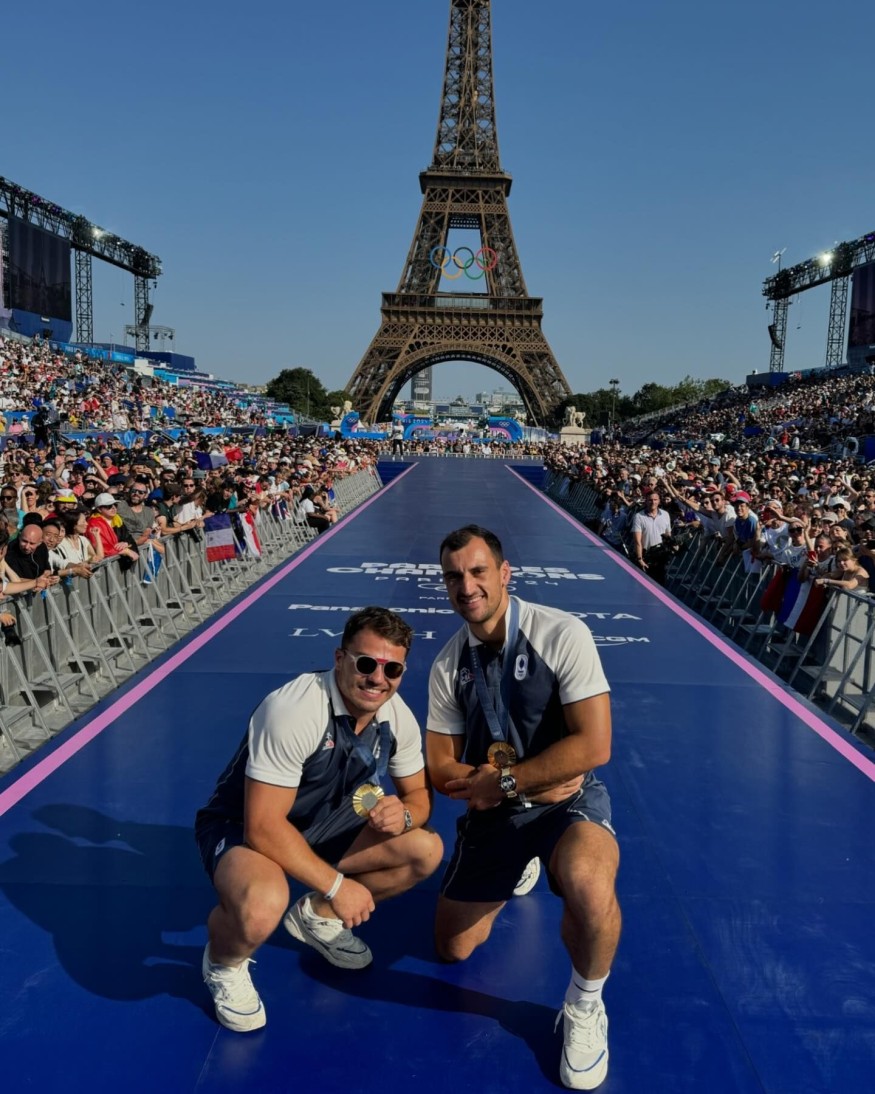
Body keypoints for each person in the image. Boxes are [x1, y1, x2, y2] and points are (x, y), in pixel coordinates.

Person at [426, 525, 620, 1091]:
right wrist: (507, 788)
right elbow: (439, 766)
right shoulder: (448, 664)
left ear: (504, 573)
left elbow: (594, 746)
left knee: (588, 883)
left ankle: (585, 1004)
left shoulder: (561, 633)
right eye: (454, 577)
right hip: (498, 810)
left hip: (568, 801)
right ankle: (522, 864)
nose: (467, 586)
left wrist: (507, 781)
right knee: (453, 949)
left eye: (478, 571)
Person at [195, 606, 443, 1032]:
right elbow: (263, 827)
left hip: (325, 823)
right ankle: (223, 962)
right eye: (366, 664)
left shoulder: (396, 715)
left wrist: (403, 815)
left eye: (392, 669)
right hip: (244, 825)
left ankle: (317, 916)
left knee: (425, 849)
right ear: (340, 658)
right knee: (261, 907)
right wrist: (337, 885)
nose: (378, 679)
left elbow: (420, 797)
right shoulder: (295, 709)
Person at [631, 489, 673, 583]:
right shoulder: (639, 516)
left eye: (655, 500)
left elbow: (668, 535)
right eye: (650, 500)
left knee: (660, 585)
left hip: (660, 556)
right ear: (646, 501)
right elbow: (637, 541)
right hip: (646, 556)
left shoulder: (666, 515)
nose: (653, 502)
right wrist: (640, 559)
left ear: (659, 501)